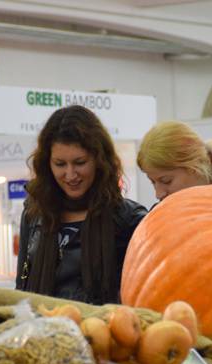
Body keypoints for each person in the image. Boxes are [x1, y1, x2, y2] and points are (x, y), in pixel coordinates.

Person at [16, 105, 147, 304]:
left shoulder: (129, 219)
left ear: (99, 160)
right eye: (60, 164)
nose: (70, 175)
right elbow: (21, 287)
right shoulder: (34, 214)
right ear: (46, 164)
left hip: (103, 332)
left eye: (79, 162)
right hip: (41, 330)